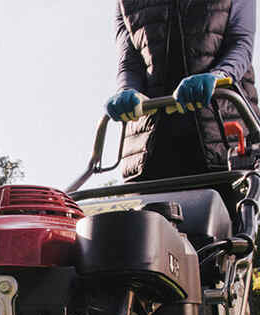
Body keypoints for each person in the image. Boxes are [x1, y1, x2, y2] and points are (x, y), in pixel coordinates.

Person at [106, 0, 259, 180]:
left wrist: (217, 77)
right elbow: (129, 61)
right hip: (151, 148)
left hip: (223, 139)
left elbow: (240, 45)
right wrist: (126, 89)